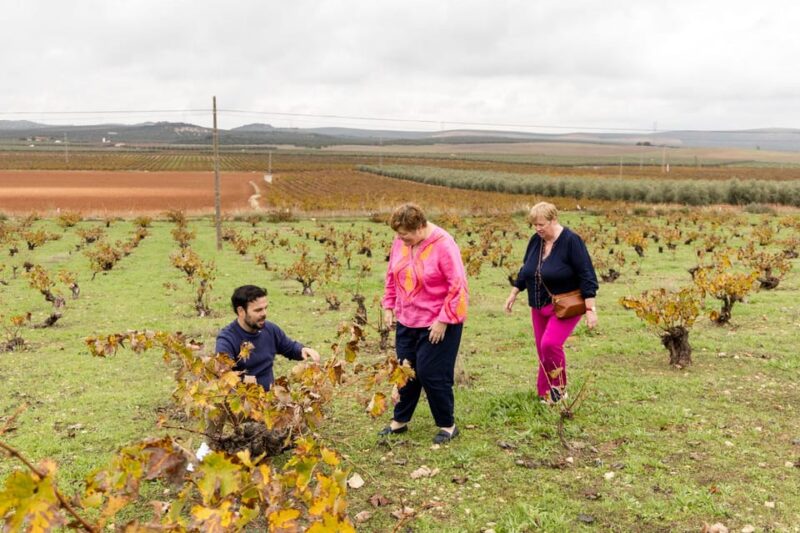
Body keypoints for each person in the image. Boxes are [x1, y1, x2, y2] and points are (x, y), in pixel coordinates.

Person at [381, 203, 469, 444]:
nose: (401, 239)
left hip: (438, 321)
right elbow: (392, 275)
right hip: (407, 319)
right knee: (405, 370)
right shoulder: (402, 241)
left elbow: (457, 285)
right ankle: (399, 422)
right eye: (398, 235)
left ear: (420, 227)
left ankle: (447, 425)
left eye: (405, 234)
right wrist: (388, 306)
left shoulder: (443, 244)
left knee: (432, 373)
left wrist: (443, 320)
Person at [504, 202, 598, 404]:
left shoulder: (571, 241)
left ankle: (559, 389)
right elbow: (526, 269)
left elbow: (587, 275)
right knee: (542, 350)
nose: (538, 228)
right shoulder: (536, 240)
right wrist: (514, 292)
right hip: (538, 306)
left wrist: (590, 309)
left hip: (565, 306)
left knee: (550, 344)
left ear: (553, 219)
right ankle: (544, 393)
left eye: (541, 224)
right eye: (534, 225)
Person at [216, 285, 320, 390]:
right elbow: (224, 378)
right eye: (258, 310)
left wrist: (302, 349)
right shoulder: (227, 340)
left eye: (265, 308)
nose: (264, 314)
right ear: (241, 311)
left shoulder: (270, 329)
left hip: (270, 399)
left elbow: (289, 347)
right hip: (243, 400)